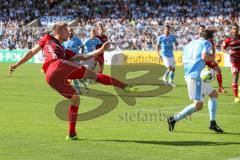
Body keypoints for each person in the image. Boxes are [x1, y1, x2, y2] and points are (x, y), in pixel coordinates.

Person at [9, 22, 137, 140]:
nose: (68, 32)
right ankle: (123, 85)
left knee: (75, 99)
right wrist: (17, 64)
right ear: (57, 32)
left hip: (50, 77)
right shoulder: (48, 38)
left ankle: (71, 134)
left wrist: (100, 50)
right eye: (65, 30)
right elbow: (32, 51)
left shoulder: (63, 50)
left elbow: (82, 56)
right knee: (94, 75)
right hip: (58, 65)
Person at [167, 30, 224, 133]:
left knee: (214, 94)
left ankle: (212, 122)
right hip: (195, 77)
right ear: (209, 38)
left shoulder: (189, 44)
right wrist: (213, 57)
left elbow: (186, 59)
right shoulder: (206, 43)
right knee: (198, 105)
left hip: (193, 75)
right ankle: (174, 119)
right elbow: (204, 57)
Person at [197, 25, 227, 93]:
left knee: (218, 70)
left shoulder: (209, 39)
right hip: (200, 59)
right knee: (198, 74)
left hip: (208, 57)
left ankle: (220, 87)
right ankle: (199, 88)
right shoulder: (196, 39)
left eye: (203, 29)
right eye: (200, 29)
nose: (201, 30)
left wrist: (213, 57)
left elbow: (213, 47)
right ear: (198, 30)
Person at [62, 26, 88, 94]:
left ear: (73, 31)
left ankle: (83, 87)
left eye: (71, 31)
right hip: (69, 60)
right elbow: (62, 50)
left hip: (76, 60)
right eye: (69, 31)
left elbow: (82, 46)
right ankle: (79, 89)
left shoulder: (76, 39)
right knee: (73, 76)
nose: (70, 32)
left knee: (76, 75)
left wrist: (81, 55)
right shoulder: (64, 41)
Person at [222, 24, 240, 103]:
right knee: (235, 77)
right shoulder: (228, 40)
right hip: (234, 61)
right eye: (233, 28)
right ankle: (236, 97)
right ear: (231, 30)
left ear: (238, 30)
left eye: (236, 28)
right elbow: (223, 48)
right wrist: (228, 52)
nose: (235, 30)